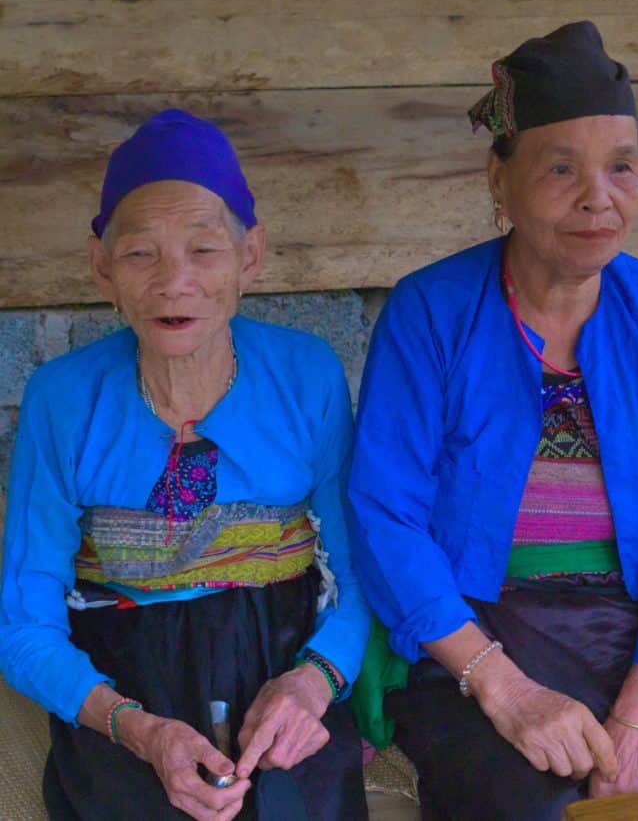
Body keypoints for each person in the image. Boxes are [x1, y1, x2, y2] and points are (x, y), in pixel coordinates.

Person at [348, 22, 638, 820]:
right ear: (500, 180)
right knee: (521, 803)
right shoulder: (432, 310)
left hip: (627, 631)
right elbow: (385, 512)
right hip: (477, 631)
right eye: (561, 168)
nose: (598, 197)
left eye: (620, 167)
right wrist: (503, 688)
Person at [0, 109, 371, 821]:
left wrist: (315, 682)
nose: (175, 281)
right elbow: (24, 620)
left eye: (204, 250)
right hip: (121, 673)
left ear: (249, 257)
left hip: (280, 657)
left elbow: (360, 573)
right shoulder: (63, 398)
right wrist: (135, 729)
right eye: (141, 254)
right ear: (101, 265)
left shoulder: (306, 376)